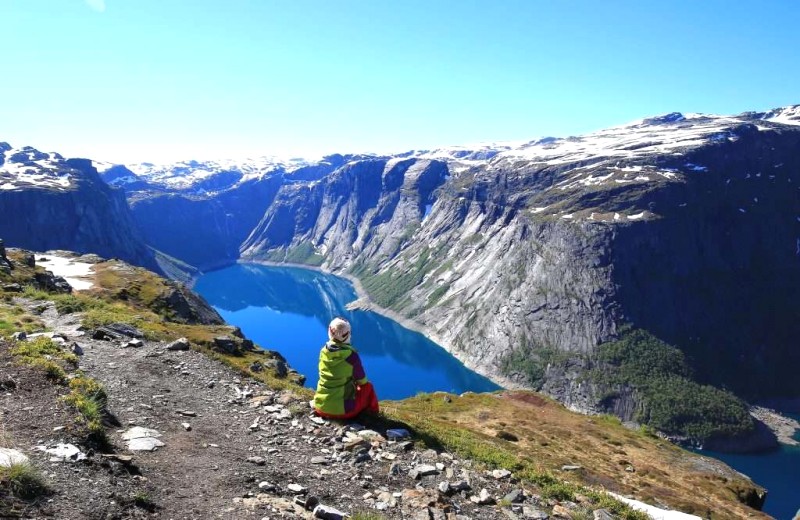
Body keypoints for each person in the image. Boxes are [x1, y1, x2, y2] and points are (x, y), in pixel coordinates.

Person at [313, 317, 379, 419]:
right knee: (368, 386)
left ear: (330, 331)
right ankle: (374, 413)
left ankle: (325, 406)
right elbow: (362, 381)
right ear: (348, 334)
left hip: (320, 407)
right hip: (344, 412)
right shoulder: (351, 356)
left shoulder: (324, 351)